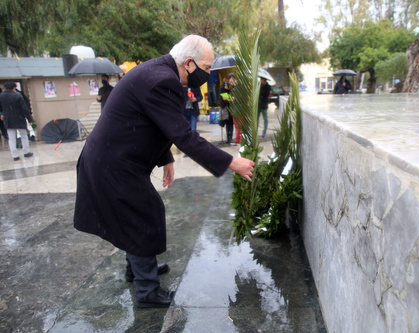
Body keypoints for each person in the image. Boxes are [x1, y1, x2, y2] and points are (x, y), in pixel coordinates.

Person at [73, 35, 255, 309]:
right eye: (207, 67)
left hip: (113, 158)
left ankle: (136, 269)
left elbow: (154, 122)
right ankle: (147, 292)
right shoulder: (163, 79)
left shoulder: (159, 71)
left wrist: (166, 158)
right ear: (189, 63)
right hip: (113, 163)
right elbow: (184, 135)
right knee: (141, 213)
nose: (208, 73)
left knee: (133, 213)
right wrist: (231, 162)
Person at [0, 81, 33, 161]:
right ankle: (26, 152)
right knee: (23, 135)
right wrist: (29, 119)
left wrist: (1, 114)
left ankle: (15, 156)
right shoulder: (17, 95)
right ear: (14, 88)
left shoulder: (1, 96)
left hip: (8, 119)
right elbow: (24, 108)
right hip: (19, 118)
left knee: (11, 137)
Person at [219, 76, 234, 144]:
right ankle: (228, 138)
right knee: (226, 123)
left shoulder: (231, 88)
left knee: (230, 124)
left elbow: (232, 97)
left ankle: (230, 138)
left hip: (230, 108)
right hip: (225, 108)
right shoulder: (222, 88)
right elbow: (220, 96)